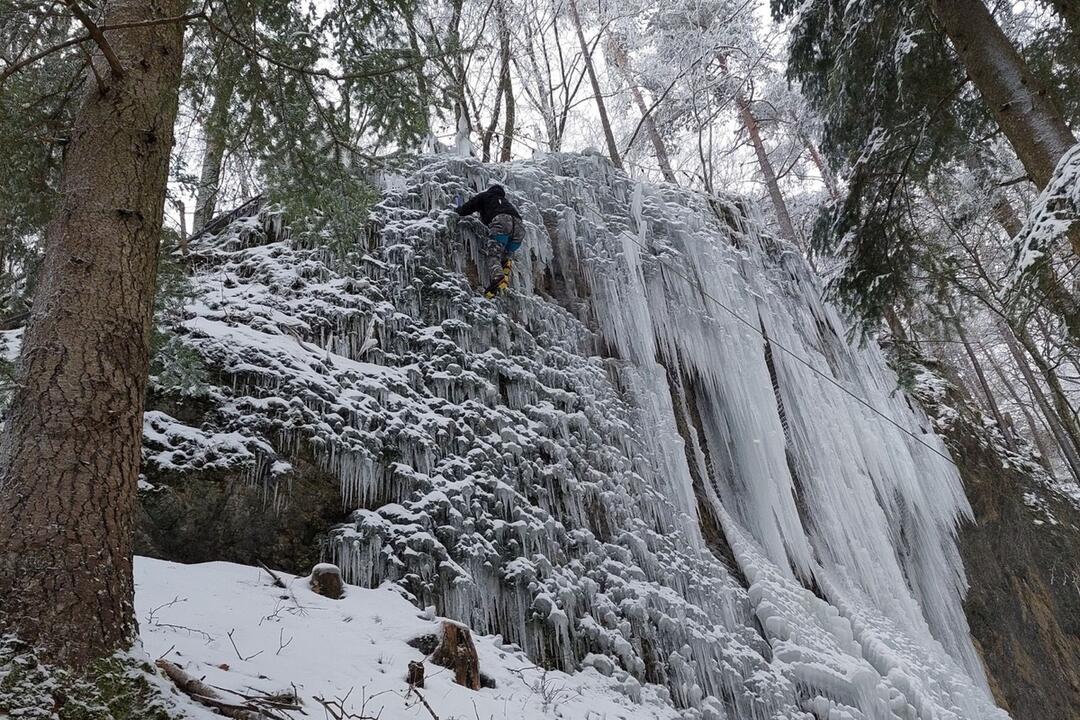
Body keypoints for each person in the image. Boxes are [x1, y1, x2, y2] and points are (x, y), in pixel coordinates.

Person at [454, 184, 525, 298]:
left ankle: (498, 276)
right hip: (519, 227)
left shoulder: (486, 196)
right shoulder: (505, 202)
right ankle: (506, 262)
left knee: (493, 253)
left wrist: (459, 210)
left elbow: (469, 207)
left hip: (502, 221)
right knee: (505, 251)